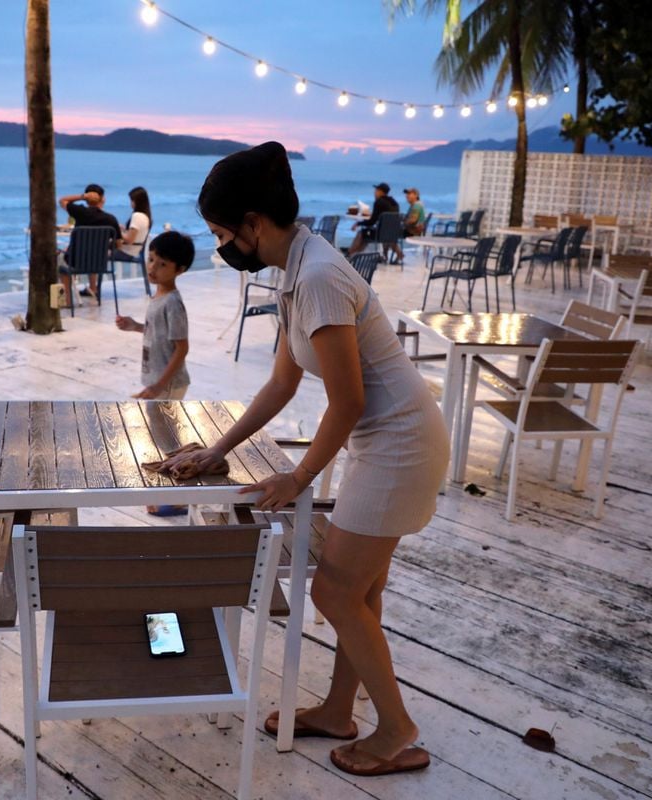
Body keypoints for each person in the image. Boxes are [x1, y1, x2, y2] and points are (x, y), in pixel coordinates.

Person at [166, 141, 448, 777]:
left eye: (221, 233)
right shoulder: (297, 271)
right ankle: (340, 711)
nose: (221, 247)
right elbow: (281, 385)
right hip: (386, 443)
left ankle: (397, 729)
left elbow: (346, 403)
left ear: (253, 225)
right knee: (360, 593)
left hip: (398, 445)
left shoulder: (317, 277)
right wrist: (218, 450)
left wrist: (298, 476)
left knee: (335, 591)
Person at [115, 230, 195, 517]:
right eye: (151, 260)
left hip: (168, 383)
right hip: (157, 380)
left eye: (162, 264)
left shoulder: (173, 302)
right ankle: (169, 493)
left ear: (180, 270)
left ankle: (176, 498)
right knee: (162, 437)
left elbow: (182, 348)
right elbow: (155, 333)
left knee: (168, 441)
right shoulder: (157, 297)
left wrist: (159, 385)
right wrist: (133, 325)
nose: (152, 267)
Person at [58, 183, 122, 300]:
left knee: (59, 260)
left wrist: (82, 196)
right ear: (102, 198)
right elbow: (119, 244)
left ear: (87, 199)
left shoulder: (79, 212)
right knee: (93, 252)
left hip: (75, 261)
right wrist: (104, 247)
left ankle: (67, 300)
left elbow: (62, 200)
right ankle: (94, 288)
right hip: (99, 262)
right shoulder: (110, 219)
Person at [347, 182, 399, 256]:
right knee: (366, 234)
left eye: (376, 190)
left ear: (380, 192)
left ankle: (349, 254)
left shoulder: (379, 202)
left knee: (361, 233)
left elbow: (372, 221)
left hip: (381, 234)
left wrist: (358, 223)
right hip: (393, 234)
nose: (374, 192)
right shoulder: (395, 203)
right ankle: (355, 255)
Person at [391, 187, 427, 265]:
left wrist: (402, 223)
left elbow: (413, 220)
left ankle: (398, 255)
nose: (407, 196)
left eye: (410, 194)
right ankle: (397, 255)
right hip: (413, 230)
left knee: (388, 235)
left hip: (412, 231)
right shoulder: (416, 205)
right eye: (407, 194)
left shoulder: (416, 206)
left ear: (416, 195)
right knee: (389, 234)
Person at [115, 186, 152, 260]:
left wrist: (118, 230)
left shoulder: (137, 216)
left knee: (98, 253)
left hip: (126, 252)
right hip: (134, 251)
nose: (131, 203)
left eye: (132, 200)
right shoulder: (145, 217)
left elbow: (129, 240)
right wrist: (124, 229)